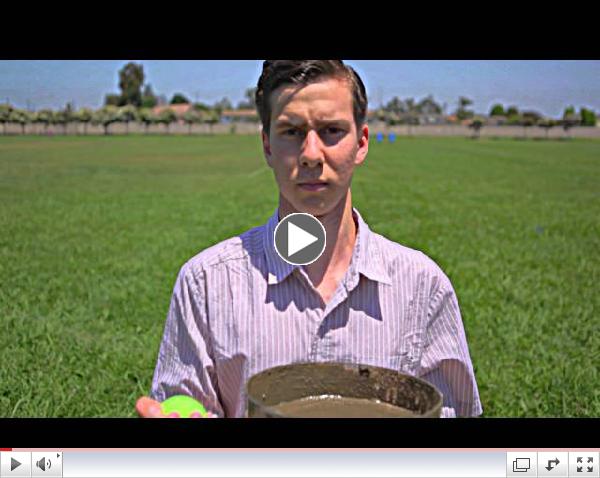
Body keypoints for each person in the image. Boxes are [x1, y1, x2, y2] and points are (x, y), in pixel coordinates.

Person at [136, 60, 482, 418]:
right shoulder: (206, 284)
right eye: (291, 131)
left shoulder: (423, 287)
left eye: (331, 130)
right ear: (267, 145)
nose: (312, 154)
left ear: (361, 143)